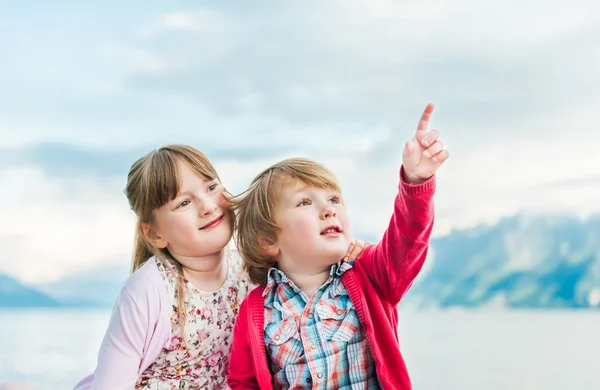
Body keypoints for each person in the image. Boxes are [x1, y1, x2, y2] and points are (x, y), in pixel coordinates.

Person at [0, 145, 367, 390]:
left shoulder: (251, 271)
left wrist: (352, 253)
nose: (208, 206)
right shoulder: (149, 290)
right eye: (183, 203)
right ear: (154, 233)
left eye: (211, 187)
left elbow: (307, 277)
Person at [227, 103, 448, 389]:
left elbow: (408, 240)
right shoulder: (255, 311)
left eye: (334, 200)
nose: (328, 210)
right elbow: (242, 382)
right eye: (305, 202)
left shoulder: (370, 275)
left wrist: (416, 181)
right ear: (269, 240)